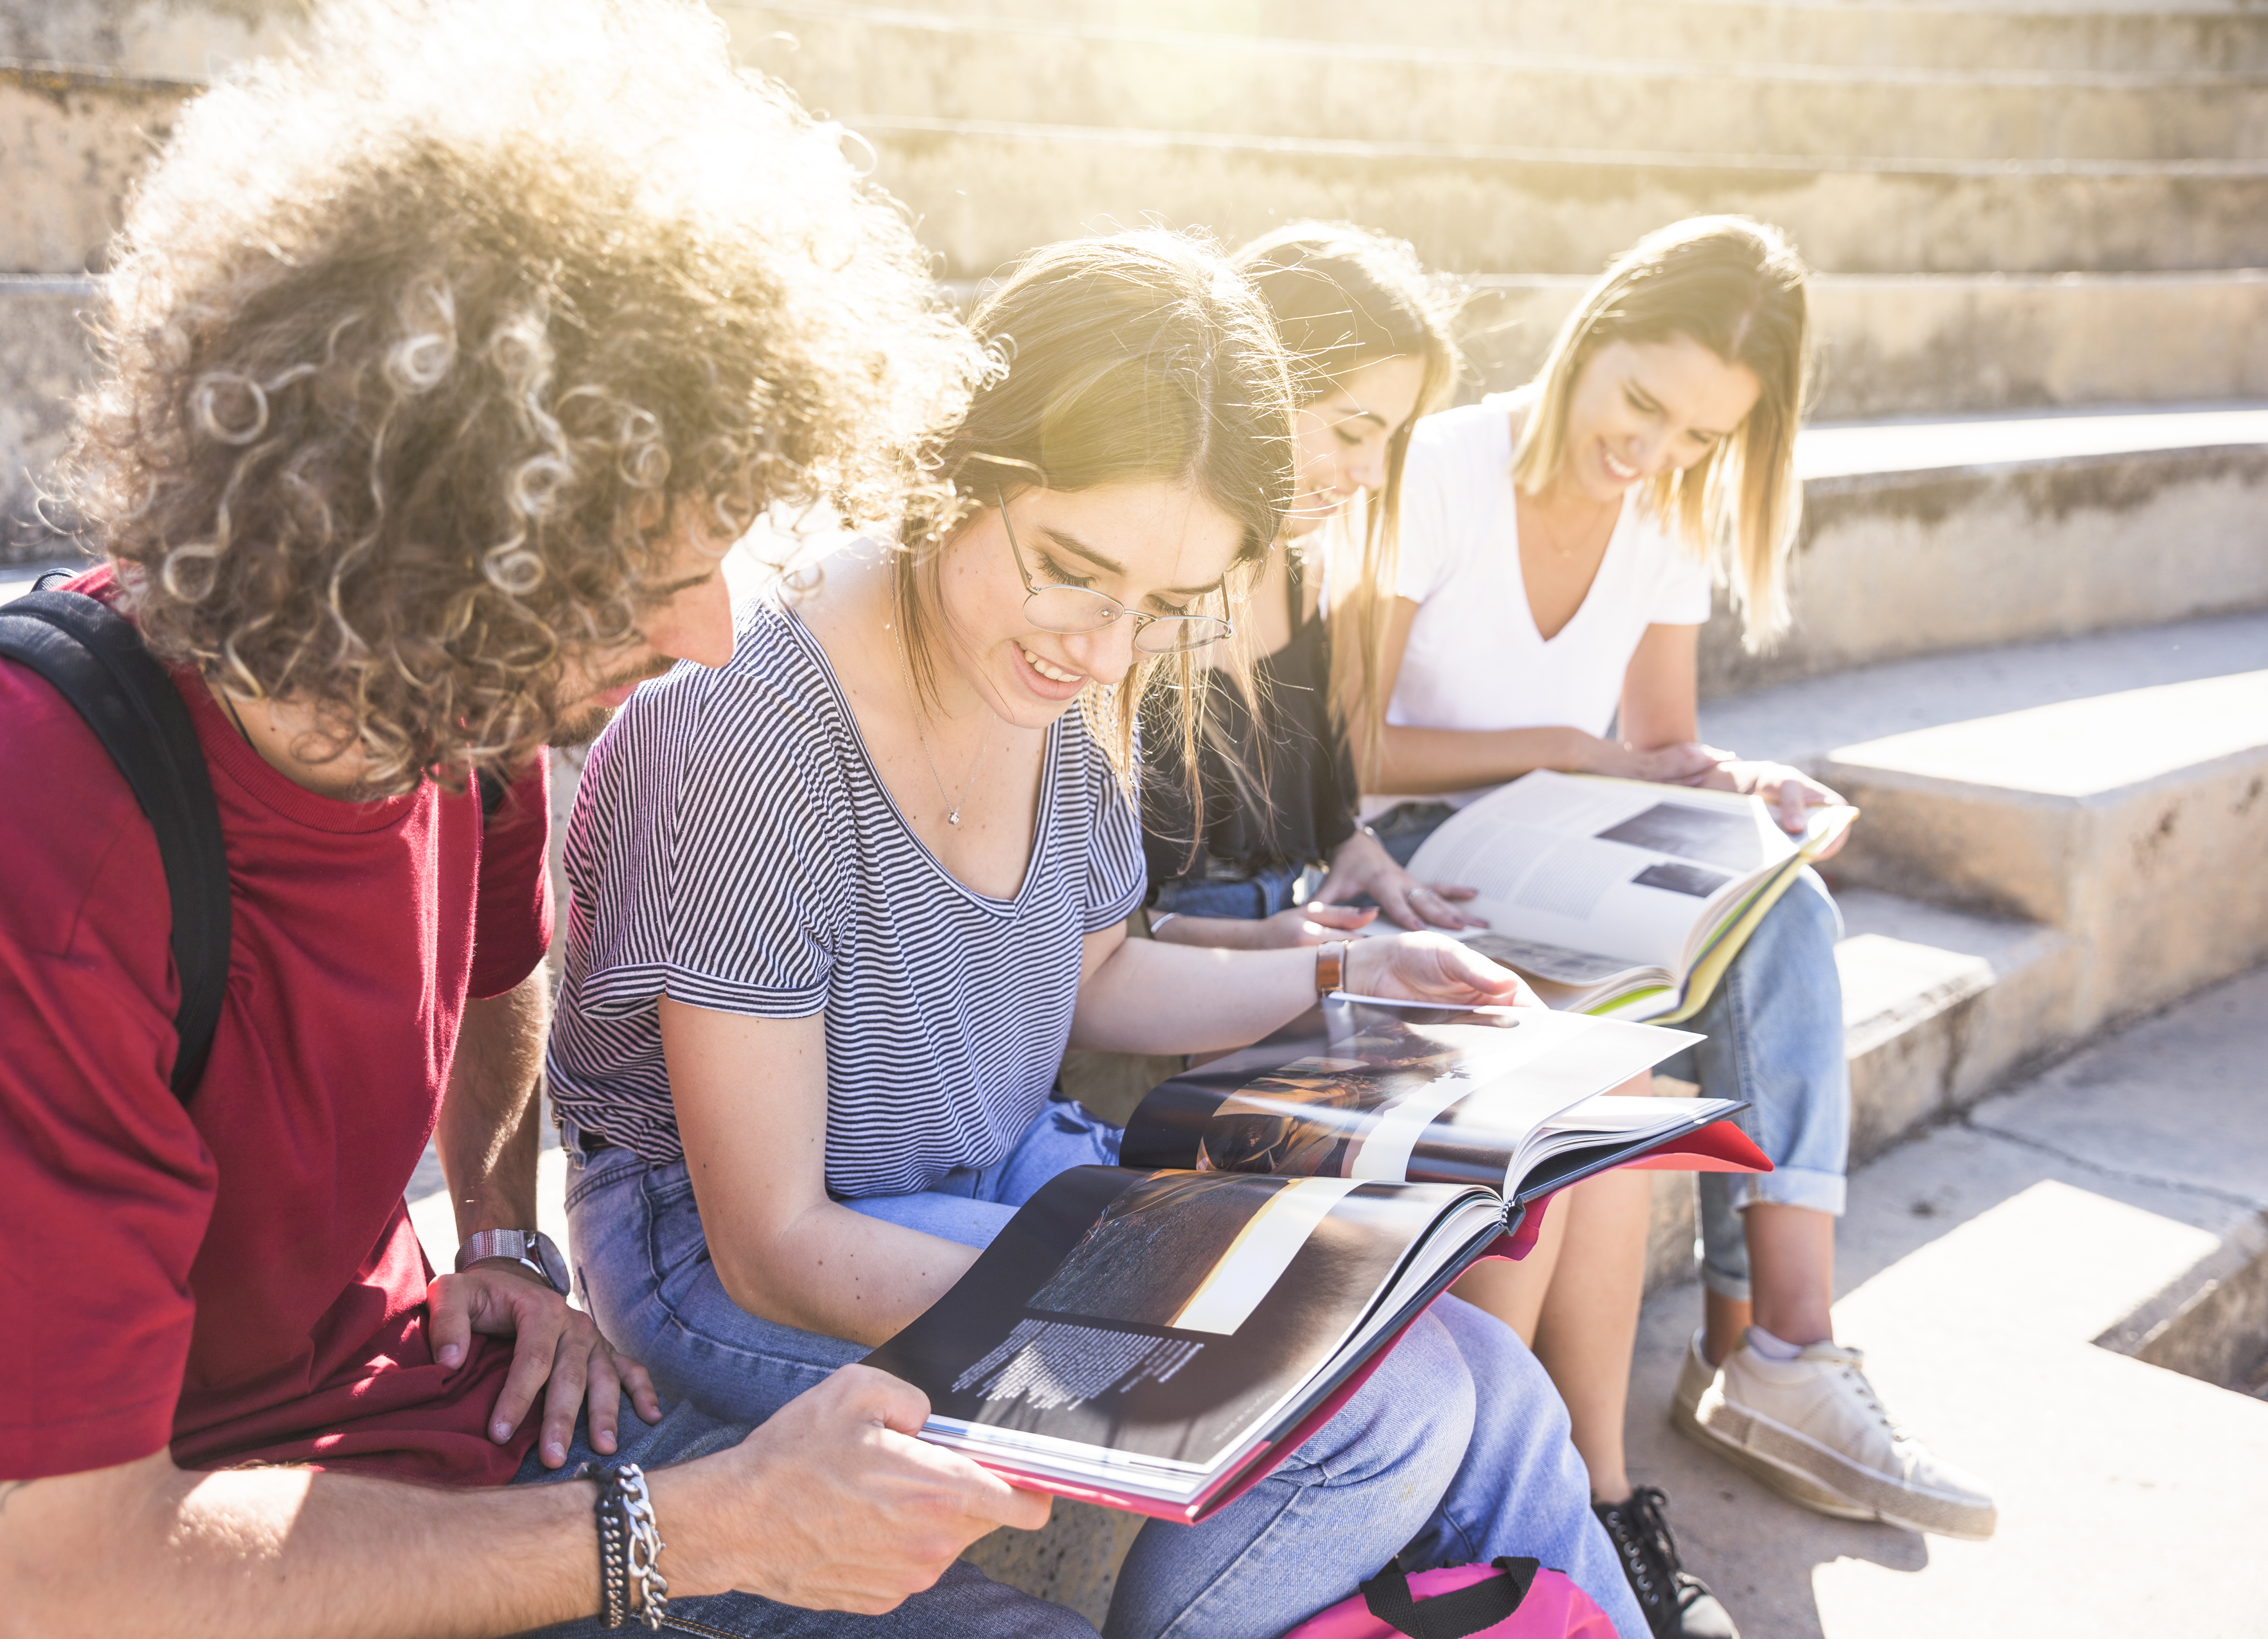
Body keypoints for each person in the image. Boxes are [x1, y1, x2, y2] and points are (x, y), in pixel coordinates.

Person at [0, 4, 1136, 1635]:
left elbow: (499, 960)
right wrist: (698, 1526)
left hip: (430, 1427)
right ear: (427, 540)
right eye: (658, 578)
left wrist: (498, 1223)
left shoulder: (453, 688)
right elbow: (57, 1575)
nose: (715, 636)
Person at [548, 228, 1658, 1639]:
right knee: (1369, 1409)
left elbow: (1094, 976)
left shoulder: (1074, 673)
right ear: (960, 461)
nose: (1107, 650)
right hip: (731, 1264)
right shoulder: (745, 734)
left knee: (1496, 1391)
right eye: (1074, 570)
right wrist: (1196, 1315)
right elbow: (774, 1242)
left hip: (1002, 1182)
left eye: (1165, 609)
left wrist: (1344, 971)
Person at [1331, 216, 1999, 1637]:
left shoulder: (1667, 514)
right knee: (1608, 1049)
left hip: (1564, 838)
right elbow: (1352, 750)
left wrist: (1739, 793)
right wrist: (1578, 752)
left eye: (1698, 438)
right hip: (1412, 849)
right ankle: (1577, 1469)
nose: (1653, 455)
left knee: (1788, 904)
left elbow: (1666, 747)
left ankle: (1778, 1348)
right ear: (1594, 330)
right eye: (1640, 404)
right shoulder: (1442, 467)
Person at [1136, 222, 1480, 950]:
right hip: (1147, 997)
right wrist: (1255, 948)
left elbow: (1316, 813)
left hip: (1291, 950)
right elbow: (1072, 929)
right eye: (1354, 433)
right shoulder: (1126, 589)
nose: (1374, 476)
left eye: (1392, 441)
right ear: (1254, 383)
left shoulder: (1303, 574)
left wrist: (1353, 849)